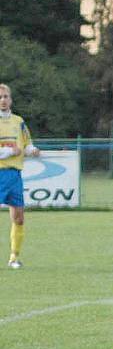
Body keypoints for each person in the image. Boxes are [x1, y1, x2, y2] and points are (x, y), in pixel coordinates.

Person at [0, 83, 40, 269]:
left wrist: (32, 150)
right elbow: (13, 150)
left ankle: (14, 257)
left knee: (19, 218)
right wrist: (9, 152)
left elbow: (27, 143)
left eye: (6, 96)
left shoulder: (18, 121)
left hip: (14, 175)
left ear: (11, 99)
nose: (3, 100)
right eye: (0, 97)